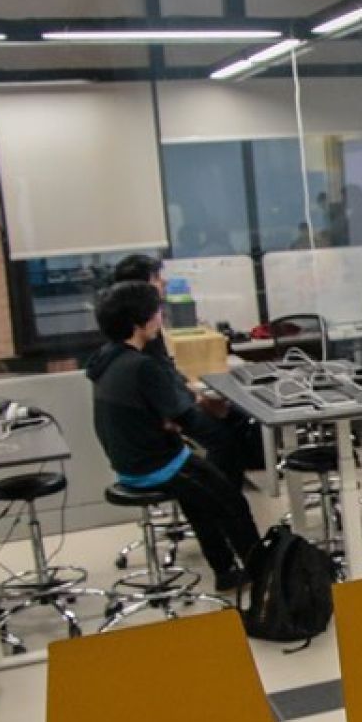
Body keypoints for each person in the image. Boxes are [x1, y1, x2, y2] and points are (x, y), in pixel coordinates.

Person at [87, 281, 259, 591]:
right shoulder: (142, 367)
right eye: (156, 313)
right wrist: (213, 410)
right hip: (157, 464)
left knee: (200, 503)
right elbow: (185, 419)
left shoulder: (107, 358)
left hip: (128, 462)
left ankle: (226, 572)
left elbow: (160, 413)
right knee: (232, 503)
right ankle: (265, 574)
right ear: (139, 323)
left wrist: (170, 420)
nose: (160, 318)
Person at [111, 252, 262, 484]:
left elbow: (166, 370)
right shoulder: (139, 333)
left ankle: (237, 480)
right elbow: (162, 386)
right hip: (164, 418)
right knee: (223, 438)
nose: (163, 282)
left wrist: (194, 392)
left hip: (170, 404)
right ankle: (222, 493)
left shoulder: (137, 327)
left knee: (236, 416)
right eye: (156, 278)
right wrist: (198, 400)